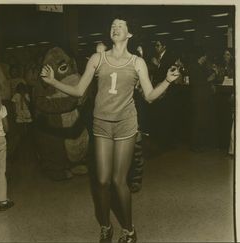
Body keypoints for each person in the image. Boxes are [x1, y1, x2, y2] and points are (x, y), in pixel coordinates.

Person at [41, 15, 179, 243]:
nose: (115, 29)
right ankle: (106, 226)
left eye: (120, 26)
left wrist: (167, 80)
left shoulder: (137, 62)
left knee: (118, 180)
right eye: (113, 26)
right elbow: (79, 90)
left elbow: (150, 96)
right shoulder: (97, 58)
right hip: (101, 124)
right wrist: (54, 82)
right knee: (102, 181)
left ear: (129, 34)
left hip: (126, 124)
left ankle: (129, 230)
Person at [0, 80, 14, 211]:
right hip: (0, 139)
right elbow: (7, 128)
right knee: (0, 171)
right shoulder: (1, 108)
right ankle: (2, 200)